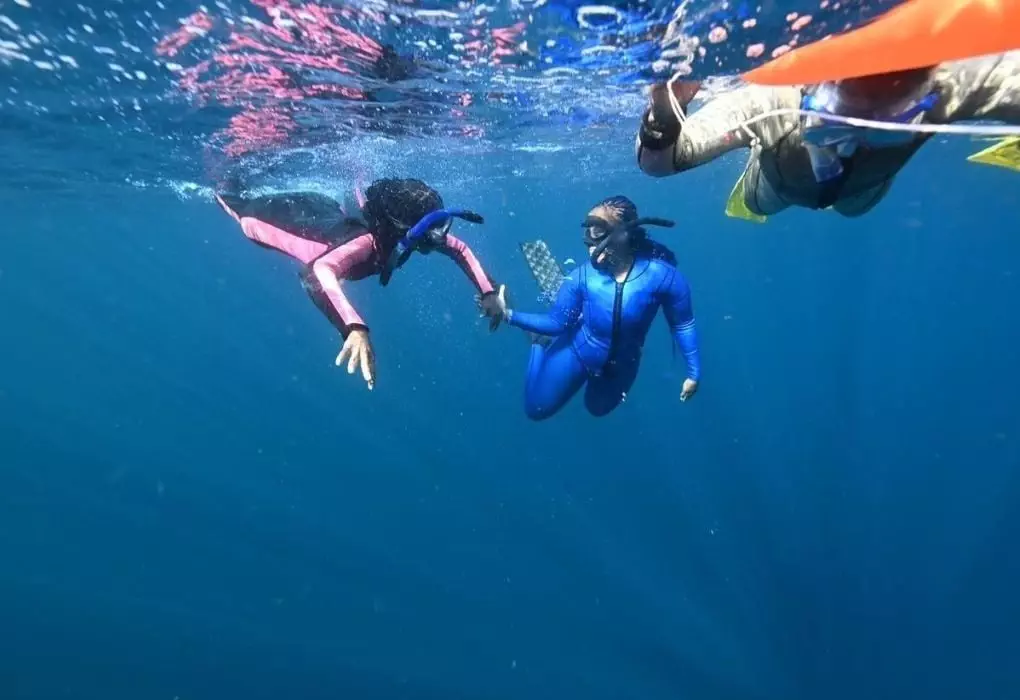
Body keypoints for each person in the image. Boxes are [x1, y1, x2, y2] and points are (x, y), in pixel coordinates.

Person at [636, 52, 1020, 221]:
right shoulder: (772, 99)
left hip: (860, 192)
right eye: (842, 116)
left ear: (929, 84)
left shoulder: (953, 85)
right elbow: (660, 163)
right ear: (820, 81)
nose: (856, 136)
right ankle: (755, 160)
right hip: (779, 185)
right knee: (757, 204)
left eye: (887, 122)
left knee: (853, 210)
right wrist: (665, 112)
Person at [215, 178, 505, 390]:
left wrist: (488, 292)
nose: (439, 238)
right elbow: (317, 272)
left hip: (321, 206)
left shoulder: (407, 235)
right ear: (402, 230)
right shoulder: (364, 243)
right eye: (430, 231)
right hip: (264, 217)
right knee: (229, 195)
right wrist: (353, 327)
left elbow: (460, 249)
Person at [482, 196, 701, 420]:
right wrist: (507, 314)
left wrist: (694, 373)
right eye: (588, 231)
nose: (589, 241)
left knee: (597, 409)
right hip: (579, 350)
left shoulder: (662, 276)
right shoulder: (582, 277)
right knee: (535, 409)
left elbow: (682, 324)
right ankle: (540, 341)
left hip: (623, 363)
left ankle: (575, 320)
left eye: (597, 231)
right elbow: (556, 324)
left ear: (625, 232)